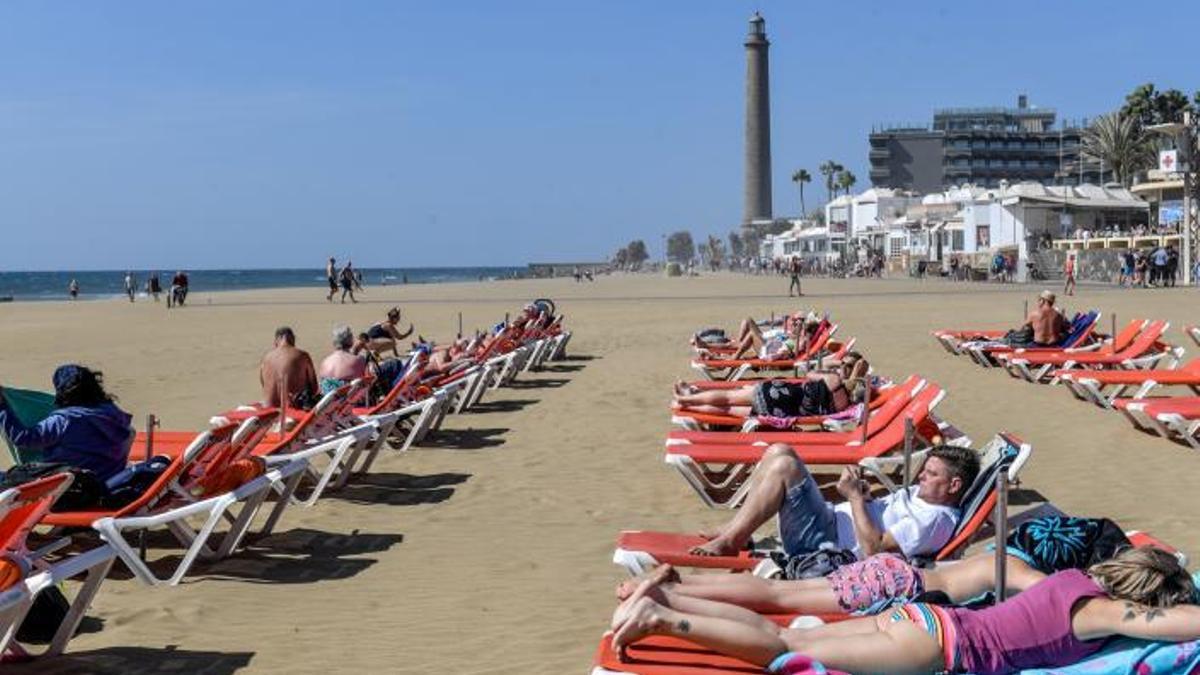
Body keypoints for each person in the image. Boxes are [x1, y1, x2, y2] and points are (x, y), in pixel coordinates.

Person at [610, 547, 1199, 675]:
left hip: (920, 617)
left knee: (785, 624)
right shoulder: (1099, 612)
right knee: (786, 645)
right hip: (941, 647)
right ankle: (663, 619)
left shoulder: (1068, 580)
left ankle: (665, 601)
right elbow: (1166, 626)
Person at [686, 444, 977, 560]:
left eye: (931, 474)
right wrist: (864, 496)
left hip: (824, 545)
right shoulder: (924, 497)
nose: (921, 476)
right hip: (828, 521)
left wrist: (853, 498)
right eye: (924, 469)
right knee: (780, 450)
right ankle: (734, 531)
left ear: (954, 485)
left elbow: (873, 549)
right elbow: (880, 516)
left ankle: (731, 540)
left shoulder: (934, 521)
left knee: (785, 467)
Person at [0, 365, 133, 481]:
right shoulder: (113, 412)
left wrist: (3, 408)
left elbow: (23, 438)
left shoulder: (64, 420)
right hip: (107, 478)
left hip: (71, 485)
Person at [672, 353, 870, 420]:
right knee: (728, 409)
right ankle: (690, 404)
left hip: (780, 393)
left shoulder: (834, 381)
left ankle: (686, 399)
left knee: (728, 396)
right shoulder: (844, 407)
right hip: (782, 413)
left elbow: (809, 374)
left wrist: (837, 366)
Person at [259, 326, 318, 409]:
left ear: (276, 341)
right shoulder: (302, 355)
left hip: (269, 409)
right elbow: (315, 388)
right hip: (293, 408)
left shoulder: (266, 358)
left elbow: (263, 384)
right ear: (293, 339)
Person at [317, 325, 368, 394]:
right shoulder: (359, 360)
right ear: (351, 340)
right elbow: (366, 380)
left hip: (328, 402)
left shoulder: (324, 362)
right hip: (352, 401)